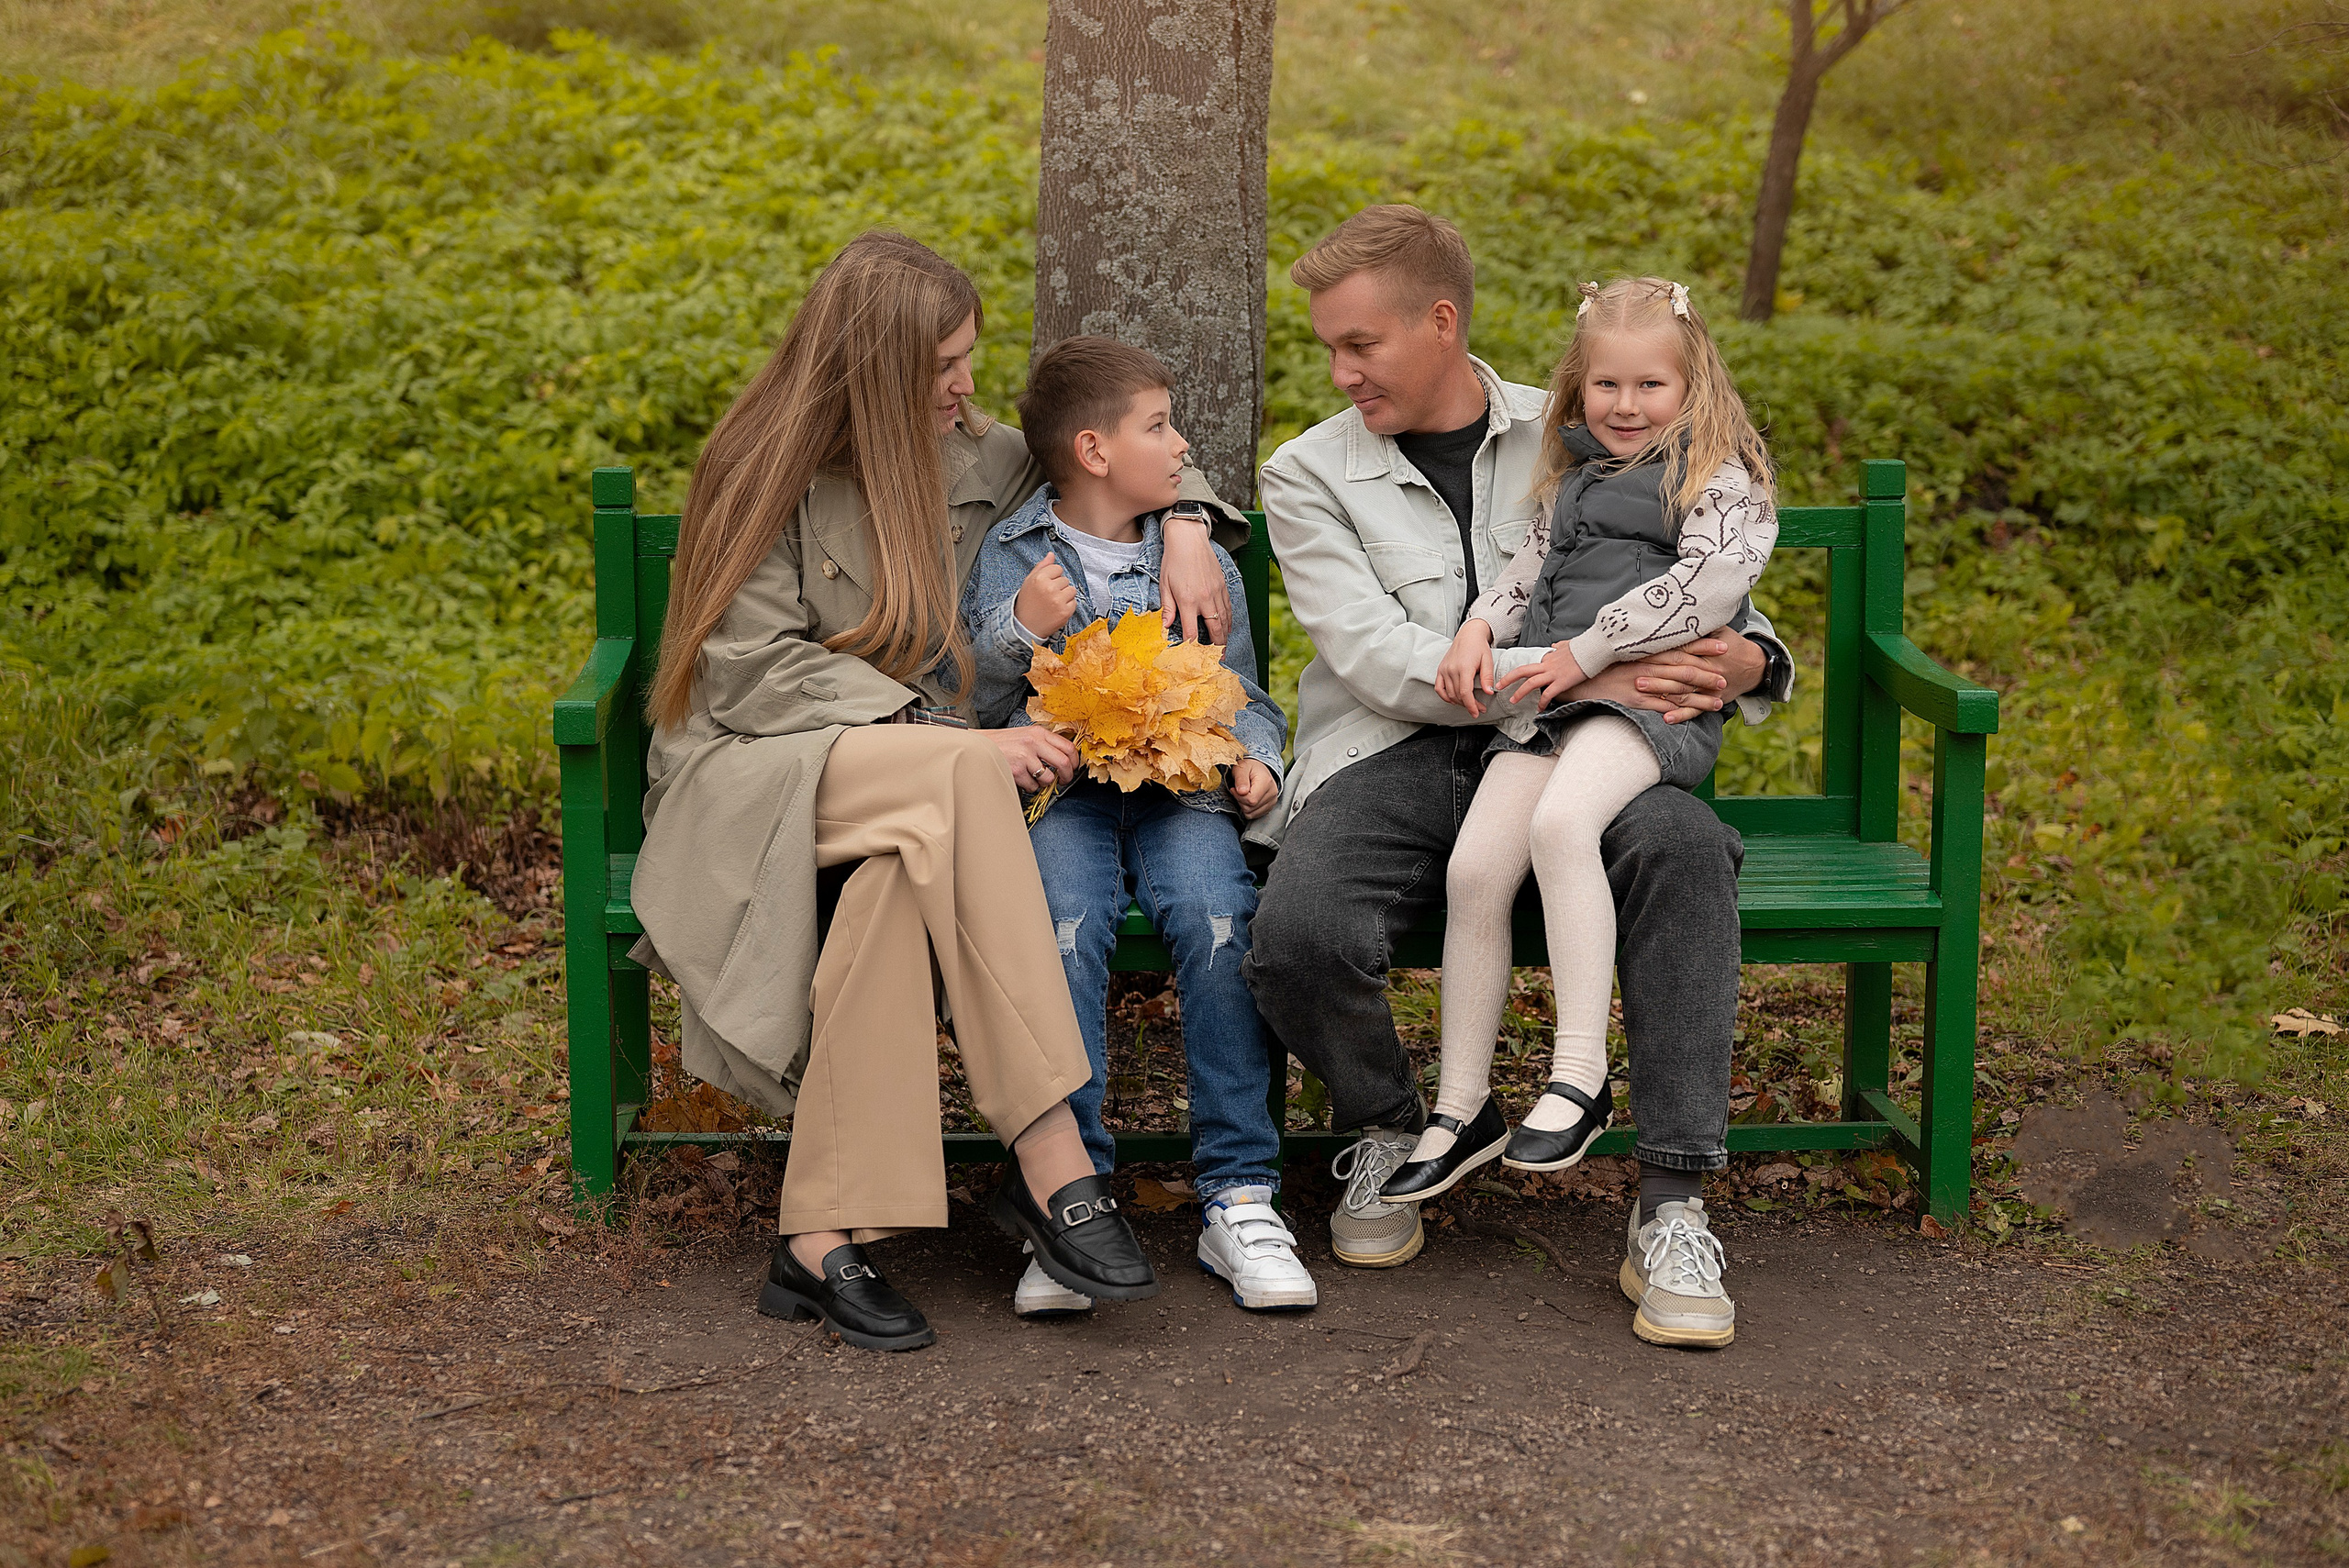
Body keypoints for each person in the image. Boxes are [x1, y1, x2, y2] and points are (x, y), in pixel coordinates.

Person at [626, 231, 1247, 1352]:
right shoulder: (758, 467)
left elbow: (1111, 452)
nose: (966, 386)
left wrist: (1193, 524)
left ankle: (818, 1238)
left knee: (896, 895)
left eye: (967, 358)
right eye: (943, 365)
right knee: (963, 771)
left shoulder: (972, 453)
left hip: (914, 804)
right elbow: (752, 675)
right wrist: (935, 733)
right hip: (763, 775)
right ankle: (1052, 1156)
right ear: (872, 368)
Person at [1243, 207, 1796, 1351]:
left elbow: (1702, 574)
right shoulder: (1306, 472)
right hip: (1399, 748)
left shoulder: (1589, 415)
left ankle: (1674, 1201)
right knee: (1296, 933)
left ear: (1440, 323)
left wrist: (1748, 658)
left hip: (1587, 740)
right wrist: (1561, 671)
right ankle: (1406, 1122)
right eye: (1329, 350)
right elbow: (1374, 658)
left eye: (1360, 345)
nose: (1340, 372)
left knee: (1682, 852)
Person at [1375, 276, 1776, 1351]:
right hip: (1550, 707)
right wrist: (1474, 631)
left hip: (1643, 708)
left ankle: (1579, 1077)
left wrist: (1580, 656)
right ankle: (1459, 1106)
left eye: (1651, 382)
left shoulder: (1722, 480)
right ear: (1578, 383)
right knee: (1474, 871)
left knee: (1559, 832)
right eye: (1607, 381)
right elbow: (1527, 569)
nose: (1626, 401)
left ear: (1692, 386)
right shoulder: (1575, 476)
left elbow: (1706, 594)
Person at [960, 336, 1312, 1316]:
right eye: (1159, 426)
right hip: (1059, 797)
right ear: (1093, 449)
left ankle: (1238, 1193)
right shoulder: (1015, 552)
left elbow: (1242, 694)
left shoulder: (1192, 559)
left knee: (1215, 922)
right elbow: (975, 696)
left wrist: (1255, 759)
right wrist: (1020, 627)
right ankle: (1066, 1196)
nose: (1181, 443)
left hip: (1184, 796)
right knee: (1060, 931)